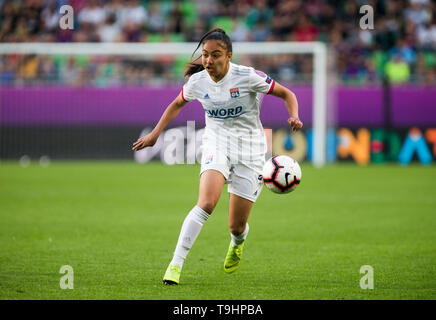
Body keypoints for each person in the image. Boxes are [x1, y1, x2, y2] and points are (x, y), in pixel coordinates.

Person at [132, 28, 303, 285]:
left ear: (229, 56)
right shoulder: (198, 82)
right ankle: (175, 265)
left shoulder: (248, 76)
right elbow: (176, 104)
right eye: (205, 56)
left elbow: (287, 94)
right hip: (216, 143)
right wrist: (156, 133)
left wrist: (294, 115)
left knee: (236, 226)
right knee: (207, 203)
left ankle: (237, 242)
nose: (209, 61)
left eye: (215, 55)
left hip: (251, 151)